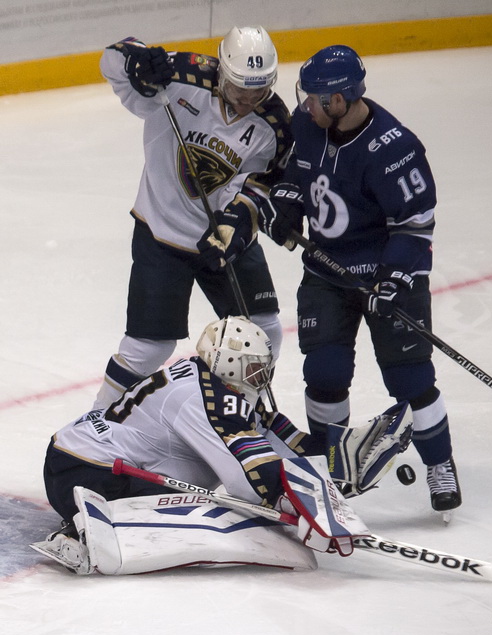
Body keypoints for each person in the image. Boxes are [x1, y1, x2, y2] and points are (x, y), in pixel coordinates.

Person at [33, 316, 412, 575]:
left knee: (229, 499)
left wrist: (338, 459)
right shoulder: (206, 399)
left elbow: (288, 444)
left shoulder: (219, 385)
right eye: (253, 368)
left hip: (75, 457)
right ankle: (82, 531)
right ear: (228, 364)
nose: (261, 376)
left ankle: (95, 521)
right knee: (222, 511)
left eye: (264, 367)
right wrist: (303, 505)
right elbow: (250, 483)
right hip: (89, 475)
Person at [258, 45, 461, 514]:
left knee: (410, 378)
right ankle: (330, 474)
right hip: (326, 273)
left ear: (342, 99)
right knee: (324, 375)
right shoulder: (309, 124)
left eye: (315, 98)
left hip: (386, 275)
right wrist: (286, 209)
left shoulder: (395, 148)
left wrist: (392, 282)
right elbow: (296, 173)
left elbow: (415, 224)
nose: (306, 105)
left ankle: (440, 464)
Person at [93, 27, 293, 410]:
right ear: (222, 73)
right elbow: (112, 59)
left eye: (259, 92)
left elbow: (262, 182)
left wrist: (236, 222)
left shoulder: (276, 124)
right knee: (148, 349)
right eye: (240, 91)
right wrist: (137, 62)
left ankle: (241, 415)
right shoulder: (181, 76)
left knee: (263, 330)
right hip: (161, 233)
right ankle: (94, 424)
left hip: (226, 238)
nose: (249, 101)